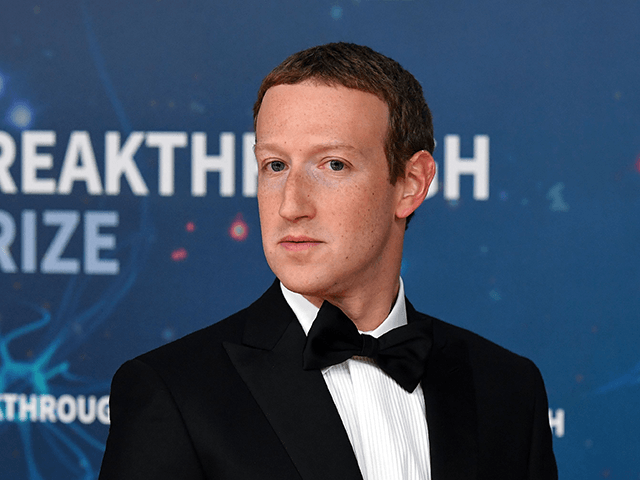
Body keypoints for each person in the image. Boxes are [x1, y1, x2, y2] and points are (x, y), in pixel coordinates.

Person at [99, 43, 557, 480]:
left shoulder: (508, 389)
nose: (291, 205)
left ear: (411, 183)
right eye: (275, 165)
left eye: (333, 165)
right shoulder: (174, 391)